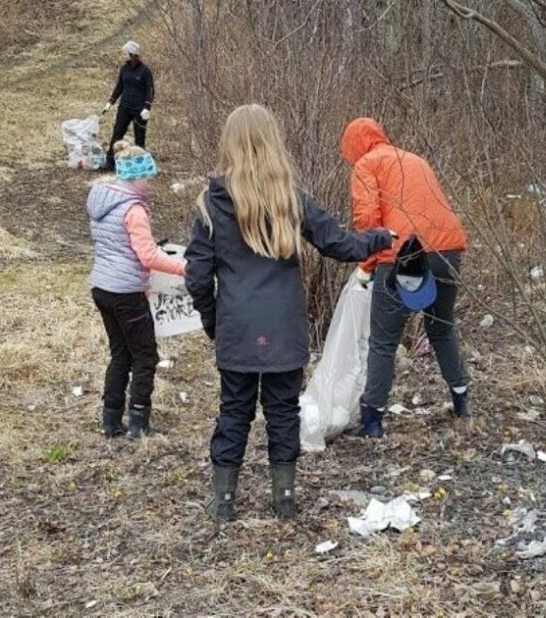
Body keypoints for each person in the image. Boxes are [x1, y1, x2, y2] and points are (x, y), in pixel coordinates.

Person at [185, 104, 394, 522]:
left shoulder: (212, 203)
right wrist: (381, 237)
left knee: (234, 412)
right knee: (283, 412)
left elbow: (197, 277)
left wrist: (214, 322)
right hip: (284, 328)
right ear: (273, 142)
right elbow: (339, 245)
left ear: (231, 143)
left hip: (238, 328)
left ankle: (223, 503)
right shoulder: (290, 200)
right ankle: (284, 499)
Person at [341, 117, 470, 439]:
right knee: (441, 328)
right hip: (448, 249)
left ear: (354, 145)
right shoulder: (414, 159)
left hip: (404, 254)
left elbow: (369, 222)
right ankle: (462, 401)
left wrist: (367, 266)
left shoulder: (367, 165)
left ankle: (372, 421)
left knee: (383, 341)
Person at [87, 141, 186, 439]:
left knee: (120, 355)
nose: (149, 183)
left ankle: (111, 419)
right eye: (147, 177)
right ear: (136, 177)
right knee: (145, 357)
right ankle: (138, 423)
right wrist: (187, 268)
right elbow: (148, 257)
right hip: (126, 293)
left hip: (102, 287)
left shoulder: (102, 199)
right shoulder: (133, 210)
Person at [102, 41, 154, 172]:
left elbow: (150, 90)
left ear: (133, 55)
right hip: (125, 107)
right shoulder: (124, 69)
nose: (124, 56)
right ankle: (110, 161)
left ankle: (140, 165)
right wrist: (110, 101)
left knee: (139, 137)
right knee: (117, 133)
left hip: (139, 109)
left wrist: (147, 107)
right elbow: (119, 86)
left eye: (126, 54)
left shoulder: (145, 71)